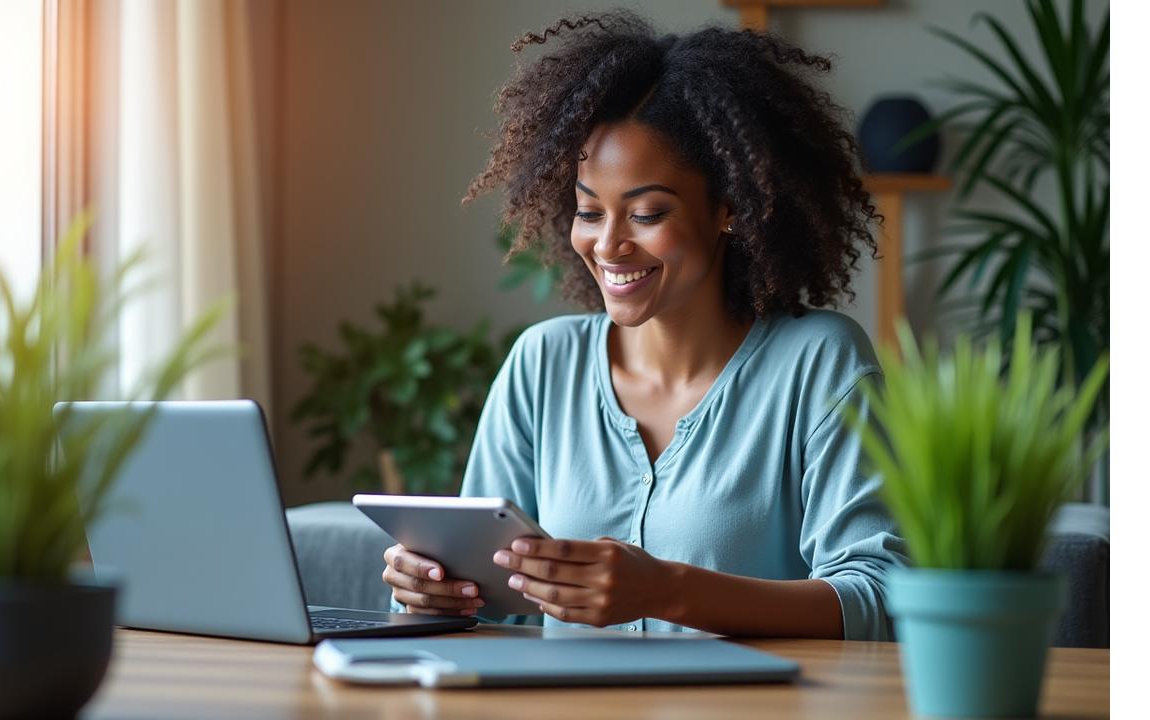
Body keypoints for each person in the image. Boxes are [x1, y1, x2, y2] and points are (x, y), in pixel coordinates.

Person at [381, 11, 907, 640]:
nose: (608, 244)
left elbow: (878, 597)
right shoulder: (542, 365)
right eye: (588, 211)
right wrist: (431, 592)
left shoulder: (818, 362)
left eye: (648, 212)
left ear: (729, 208)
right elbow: (484, 602)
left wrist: (666, 590)